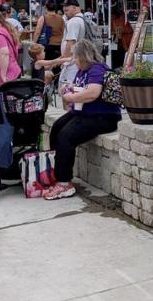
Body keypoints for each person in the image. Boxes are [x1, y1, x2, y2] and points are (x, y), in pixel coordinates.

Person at [45, 39, 121, 200]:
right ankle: (55, 170)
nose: (74, 61)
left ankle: (64, 183)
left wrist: (71, 96)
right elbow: (76, 86)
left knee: (66, 136)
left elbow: (93, 93)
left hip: (102, 116)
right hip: (84, 112)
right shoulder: (83, 70)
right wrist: (67, 89)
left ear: (84, 56)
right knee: (57, 127)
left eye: (76, 57)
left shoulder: (96, 69)